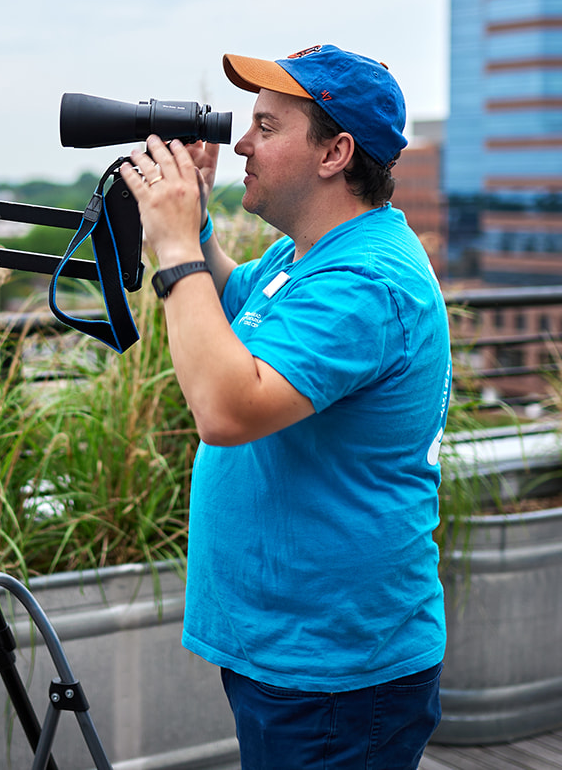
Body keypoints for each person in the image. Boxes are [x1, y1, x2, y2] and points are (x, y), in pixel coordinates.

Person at [117, 44, 451, 769]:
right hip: (293, 650)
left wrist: (173, 246)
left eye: (266, 126)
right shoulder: (310, 254)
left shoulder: (366, 279)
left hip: (336, 672)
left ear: (335, 152)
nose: (241, 141)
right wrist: (199, 226)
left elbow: (227, 407)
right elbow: (238, 308)